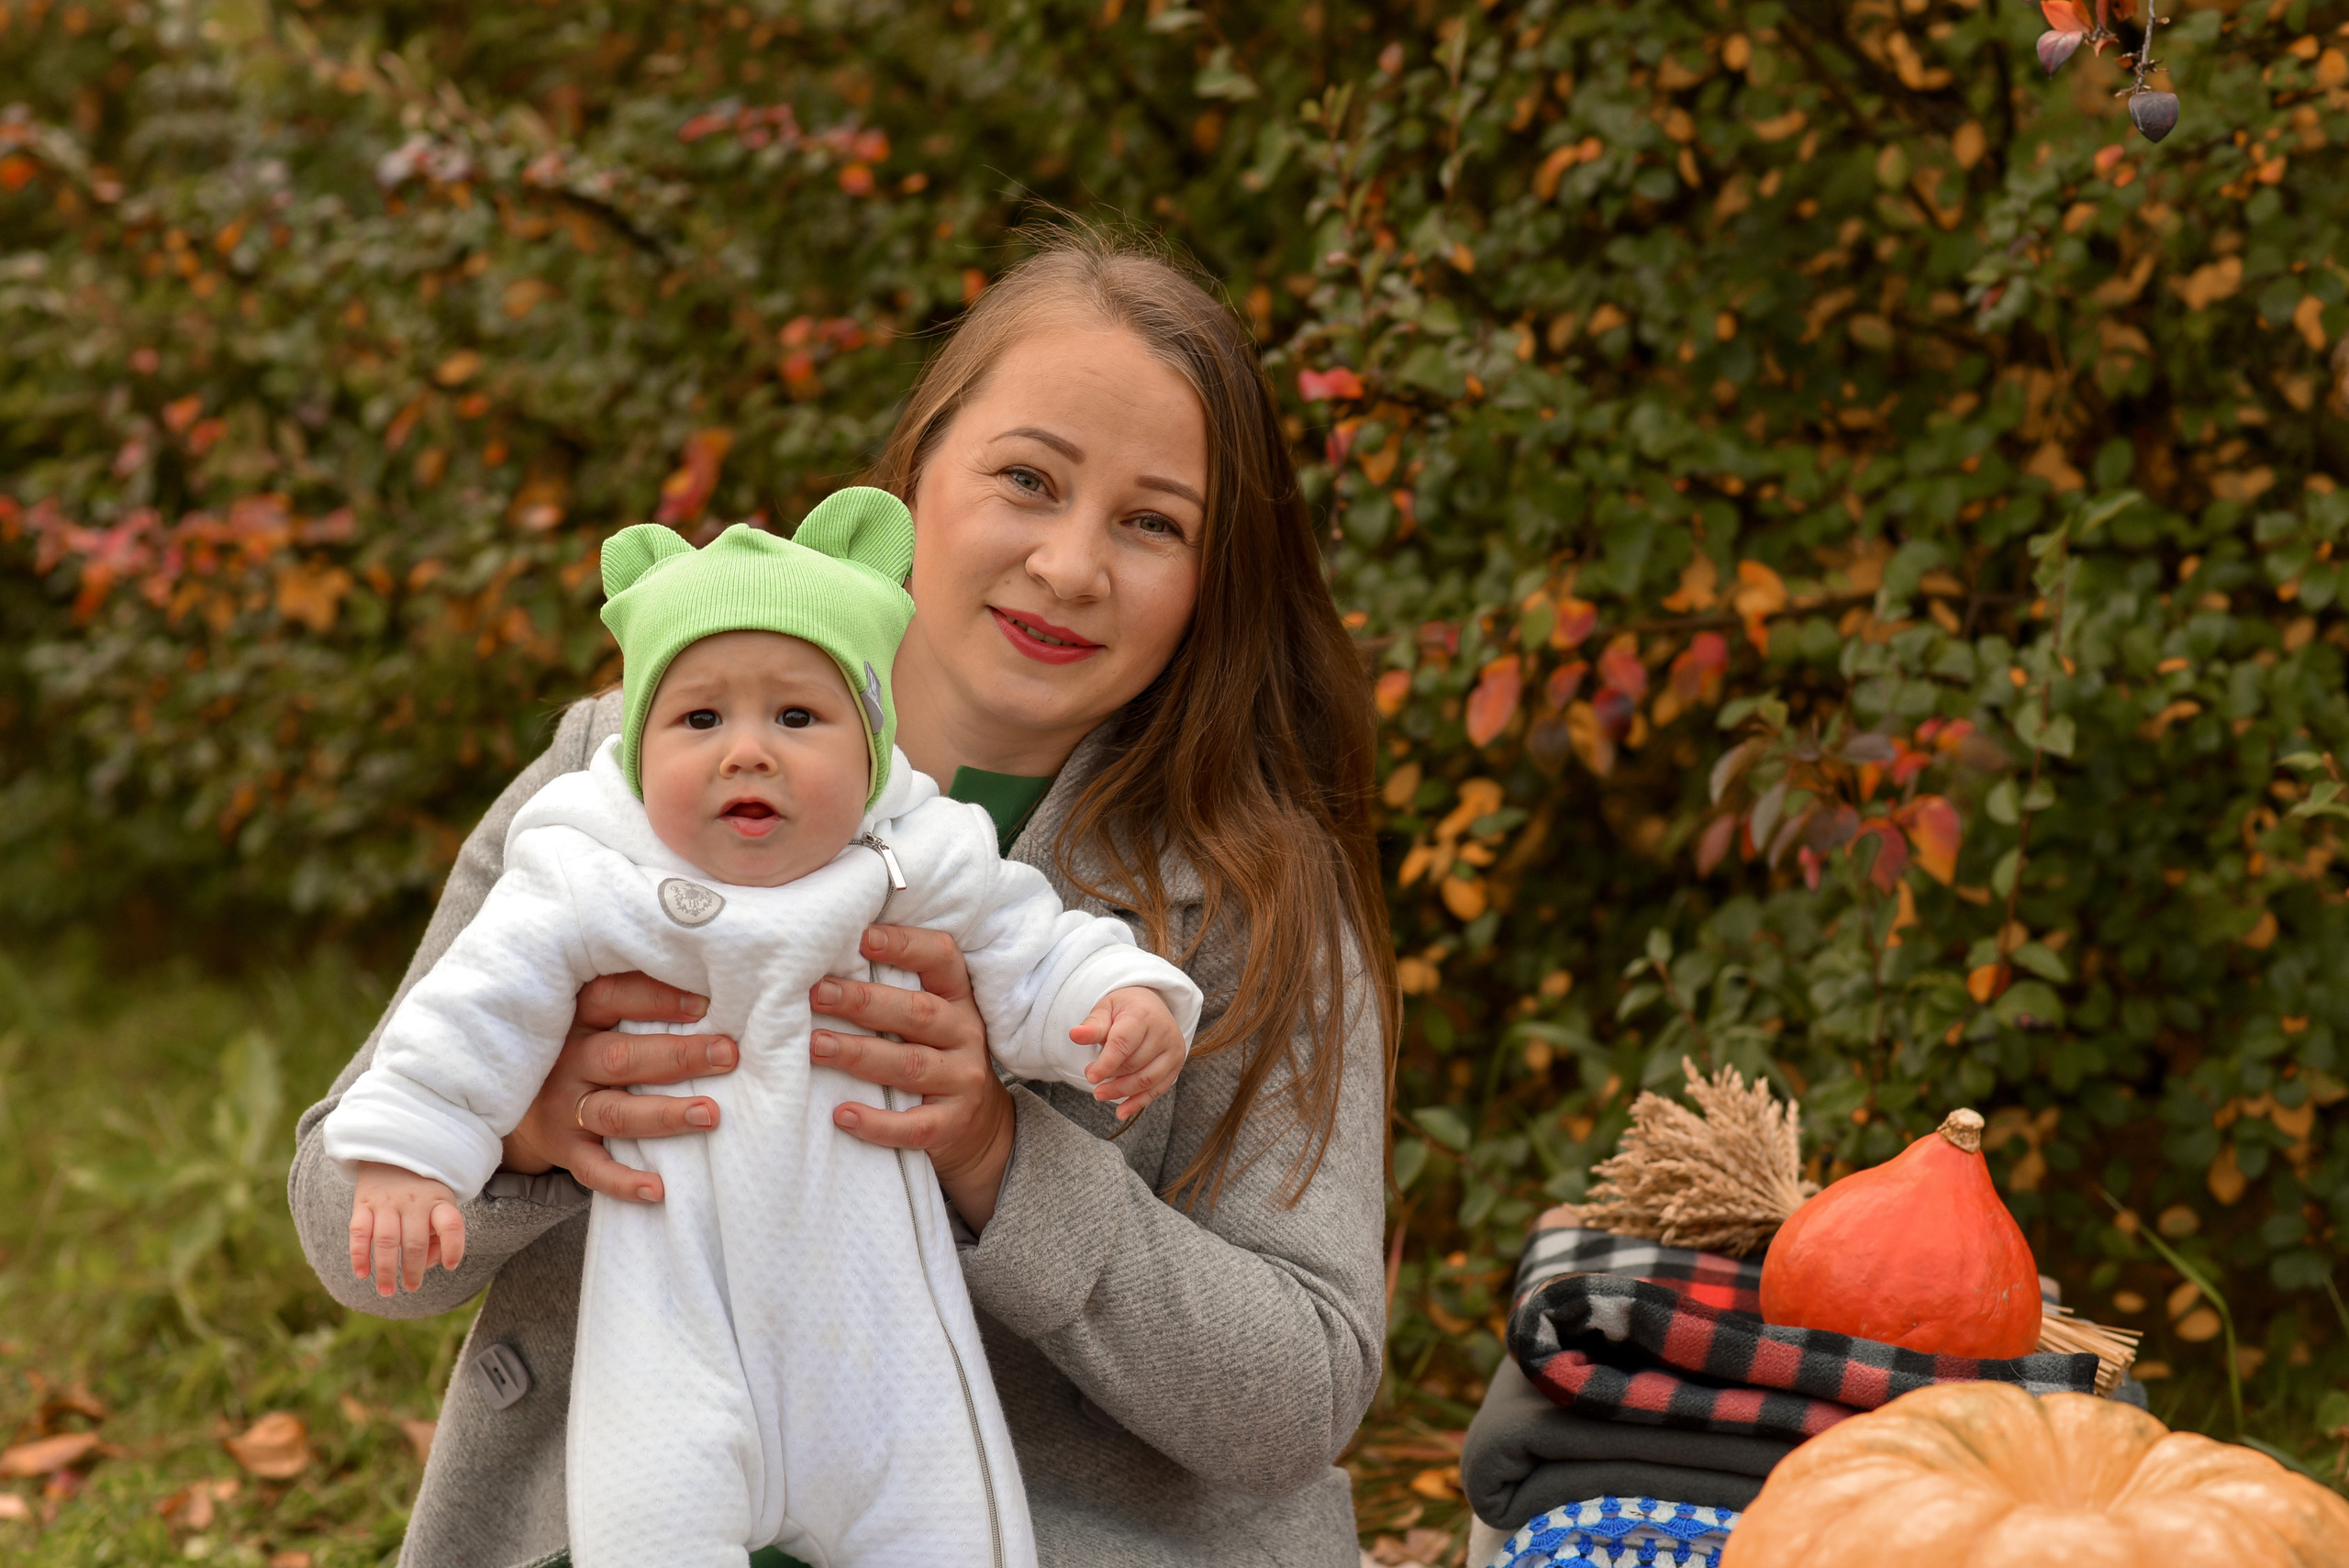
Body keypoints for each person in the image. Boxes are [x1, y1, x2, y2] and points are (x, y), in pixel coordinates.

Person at [289, 230, 1398, 1568]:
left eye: (1153, 522)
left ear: (1214, 580)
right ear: (916, 476)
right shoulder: (614, 780)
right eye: (1028, 480)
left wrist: (1000, 1156)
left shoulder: (1250, 892)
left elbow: (1305, 1393)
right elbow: (344, 1224)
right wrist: (520, 1131)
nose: (1069, 565)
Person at [322, 489, 1199, 1568]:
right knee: (646, 1523)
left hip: (880, 1341)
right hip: (669, 1317)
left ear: (871, 747)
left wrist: (1112, 1005)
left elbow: (1030, 947)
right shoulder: (591, 872)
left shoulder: (910, 856)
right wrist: (419, 1150)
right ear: (639, 751)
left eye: (796, 716)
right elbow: (477, 1004)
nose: (749, 752)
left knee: (945, 1530)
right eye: (699, 719)